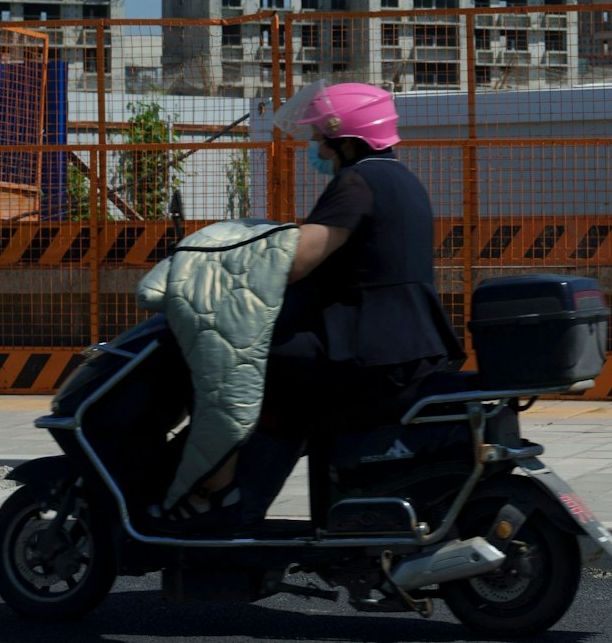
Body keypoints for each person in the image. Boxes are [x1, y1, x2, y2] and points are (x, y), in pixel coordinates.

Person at [192, 81, 462, 528]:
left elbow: (297, 259)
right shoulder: (403, 180)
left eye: (320, 138)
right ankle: (240, 507)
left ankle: (217, 494)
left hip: (368, 352)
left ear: (348, 141)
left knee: (235, 358)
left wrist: (235, 270)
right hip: (407, 347)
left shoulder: (356, 182)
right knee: (284, 384)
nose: (315, 148)